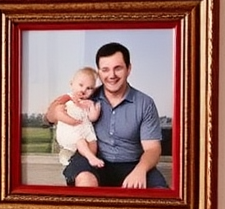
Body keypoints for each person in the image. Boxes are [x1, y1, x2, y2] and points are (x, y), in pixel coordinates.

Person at [45, 42, 168, 190]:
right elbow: (49, 117)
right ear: (99, 72)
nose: (112, 75)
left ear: (129, 69)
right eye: (105, 70)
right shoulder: (88, 95)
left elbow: (153, 149)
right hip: (92, 160)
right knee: (85, 179)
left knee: (160, 192)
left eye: (118, 68)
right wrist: (56, 111)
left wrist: (140, 170)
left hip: (133, 164)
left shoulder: (145, 103)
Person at [52, 67, 104, 171]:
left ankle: (90, 159)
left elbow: (92, 118)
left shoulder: (88, 102)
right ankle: (89, 157)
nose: (83, 90)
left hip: (84, 131)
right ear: (72, 84)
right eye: (81, 85)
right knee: (80, 141)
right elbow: (58, 110)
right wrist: (71, 118)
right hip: (70, 132)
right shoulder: (67, 97)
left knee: (93, 141)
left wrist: (95, 112)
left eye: (89, 88)